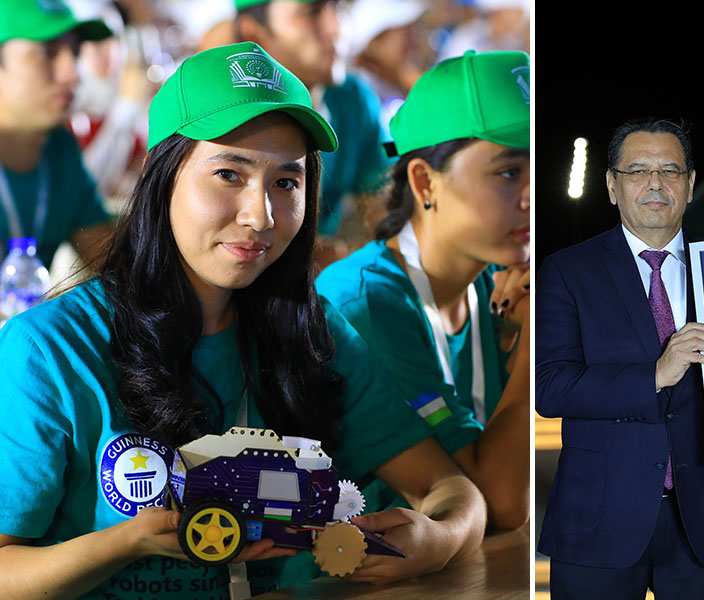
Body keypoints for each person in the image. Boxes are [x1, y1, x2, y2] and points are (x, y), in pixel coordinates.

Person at [0, 42, 485, 599]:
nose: (261, 216)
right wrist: (127, 541)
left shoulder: (313, 332)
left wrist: (441, 537)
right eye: (229, 173)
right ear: (162, 180)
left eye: (286, 182)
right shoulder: (48, 350)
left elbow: (451, 489)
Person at [536, 118, 704, 600]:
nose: (655, 183)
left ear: (690, 185)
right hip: (599, 521)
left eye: (670, 171)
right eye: (637, 171)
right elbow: (550, 388)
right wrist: (655, 374)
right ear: (612, 186)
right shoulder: (568, 271)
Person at [316, 50, 530, 529]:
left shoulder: (498, 284)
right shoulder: (365, 302)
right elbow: (502, 505)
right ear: (423, 181)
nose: (532, 195)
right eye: (511, 172)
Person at [233, 0, 393, 264]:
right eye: (311, 12)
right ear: (254, 33)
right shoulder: (232, 113)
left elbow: (385, 196)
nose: (337, 28)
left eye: (340, 9)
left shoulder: (351, 98)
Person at [0, 0, 114, 269]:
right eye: (47, 53)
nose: (72, 75)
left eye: (74, 53)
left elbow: (114, 267)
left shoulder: (60, 148)